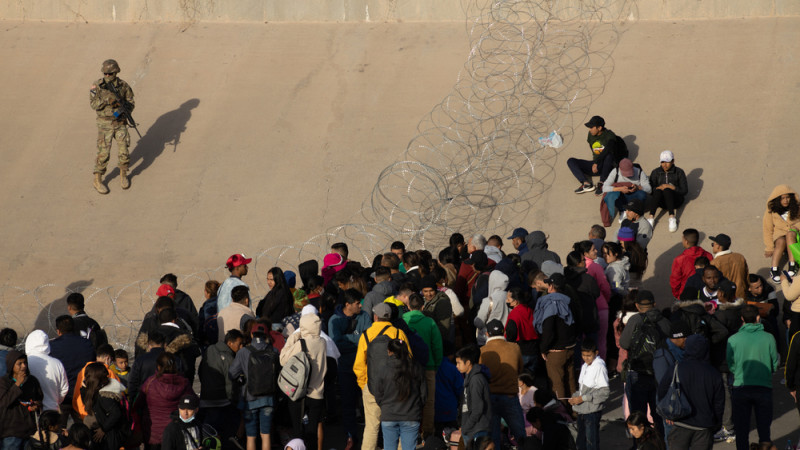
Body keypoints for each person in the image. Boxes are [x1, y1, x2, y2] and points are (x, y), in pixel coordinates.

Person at [353, 303, 411, 450]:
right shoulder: (399, 333)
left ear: (375, 316)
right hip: (396, 387)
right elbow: (409, 359)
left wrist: (364, 385)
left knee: (371, 427)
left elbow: (359, 366)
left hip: (372, 386)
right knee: (397, 427)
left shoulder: (366, 335)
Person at [657, 335, 724, 450]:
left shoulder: (677, 367)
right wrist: (716, 424)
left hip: (680, 423)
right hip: (704, 426)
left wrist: (667, 413)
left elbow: (662, 390)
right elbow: (719, 403)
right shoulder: (714, 374)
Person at [619, 290, 670, 438]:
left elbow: (624, 343)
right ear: (654, 304)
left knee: (638, 415)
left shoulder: (635, 320)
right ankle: (660, 444)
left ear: (637, 305)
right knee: (659, 414)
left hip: (638, 372)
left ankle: (641, 444)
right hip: (659, 374)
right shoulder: (665, 321)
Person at [727, 305, 779, 450]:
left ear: (742, 319)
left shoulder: (733, 339)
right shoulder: (768, 338)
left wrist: (738, 373)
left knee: (742, 430)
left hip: (740, 387)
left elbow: (730, 364)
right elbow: (775, 362)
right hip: (764, 387)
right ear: (758, 318)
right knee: (764, 430)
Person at [327, 289, 371, 447]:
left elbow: (369, 339)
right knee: (348, 406)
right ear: (347, 304)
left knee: (368, 405)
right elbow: (336, 344)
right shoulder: (335, 320)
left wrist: (347, 340)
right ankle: (350, 437)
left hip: (365, 369)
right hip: (345, 370)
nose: (361, 305)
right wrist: (358, 341)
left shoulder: (364, 316)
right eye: (358, 303)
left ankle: (370, 438)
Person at [280, 314, 327, 449]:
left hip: (298, 393)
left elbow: (282, 359)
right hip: (317, 393)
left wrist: (293, 337)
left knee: (297, 430)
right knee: (312, 431)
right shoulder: (323, 342)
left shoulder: (301, 343)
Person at [229, 322, 277, 450]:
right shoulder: (273, 351)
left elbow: (232, 374)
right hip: (268, 398)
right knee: (265, 435)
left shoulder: (244, 352)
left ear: (251, 334)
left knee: (251, 436)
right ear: (266, 335)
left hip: (250, 399)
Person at [89, 59, 135, 193]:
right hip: (105, 124)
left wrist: (123, 110)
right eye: (105, 74)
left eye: (110, 74)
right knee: (103, 153)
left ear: (116, 73)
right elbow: (93, 104)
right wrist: (106, 99)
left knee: (124, 151)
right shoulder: (97, 86)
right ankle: (97, 179)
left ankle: (123, 175)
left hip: (120, 122)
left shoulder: (123, 85)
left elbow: (131, 101)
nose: (107, 76)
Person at [479, 320, 526, 448]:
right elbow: (520, 369)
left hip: (490, 398)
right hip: (510, 397)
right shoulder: (514, 347)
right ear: (503, 332)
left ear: (487, 334)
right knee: (520, 435)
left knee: (494, 438)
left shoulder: (482, 351)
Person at [372, 339, 426, 450]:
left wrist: (384, 406)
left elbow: (378, 395)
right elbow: (424, 394)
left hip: (389, 415)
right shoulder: (416, 367)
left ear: (389, 351)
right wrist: (417, 408)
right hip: (411, 415)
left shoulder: (384, 369)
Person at [402, 292, 441, 440]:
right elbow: (437, 346)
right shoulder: (430, 322)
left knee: (409, 399)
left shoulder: (402, 321)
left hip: (407, 367)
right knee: (429, 401)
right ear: (423, 306)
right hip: (429, 366)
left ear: (408, 306)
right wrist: (436, 365)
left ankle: (411, 432)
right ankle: (427, 433)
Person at [533, 273, 577, 400]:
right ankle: (574, 410)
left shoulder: (550, 303)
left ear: (551, 286)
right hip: (571, 347)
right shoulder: (569, 301)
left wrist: (543, 348)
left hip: (556, 350)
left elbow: (548, 330)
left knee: (556, 383)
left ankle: (562, 413)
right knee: (571, 381)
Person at [138, 352, 194, 450]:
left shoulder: (150, 383)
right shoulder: (184, 383)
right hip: (176, 431)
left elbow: (139, 403)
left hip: (153, 432)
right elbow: (193, 402)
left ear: (158, 367)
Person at [198, 329, 244, 446]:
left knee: (208, 432)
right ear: (230, 343)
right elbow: (230, 384)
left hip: (205, 398)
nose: (241, 347)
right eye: (239, 344)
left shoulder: (209, 350)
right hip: (221, 401)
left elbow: (200, 370)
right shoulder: (229, 358)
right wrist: (233, 401)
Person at [48, 315, 95, 426]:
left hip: (62, 395)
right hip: (82, 394)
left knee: (59, 430)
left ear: (58, 331)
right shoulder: (86, 344)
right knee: (84, 429)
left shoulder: (52, 347)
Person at [568, 339, 609, 450]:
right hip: (582, 411)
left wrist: (583, 398)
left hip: (592, 412)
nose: (586, 358)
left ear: (596, 353)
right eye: (583, 355)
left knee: (591, 442)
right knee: (581, 440)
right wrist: (575, 397)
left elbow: (604, 393)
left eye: (589, 355)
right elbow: (582, 390)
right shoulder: (585, 366)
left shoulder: (599, 367)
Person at [79, 362, 129, 450]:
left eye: (87, 376)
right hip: (102, 434)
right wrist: (83, 388)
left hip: (109, 437)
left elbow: (116, 413)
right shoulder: (96, 389)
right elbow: (87, 404)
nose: (85, 378)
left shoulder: (105, 395)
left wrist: (103, 429)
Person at [567, 115, 620, 196]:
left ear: (599, 128)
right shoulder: (590, 135)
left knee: (608, 155)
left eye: (592, 127)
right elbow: (593, 149)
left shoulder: (609, 135)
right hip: (596, 166)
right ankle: (586, 184)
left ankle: (602, 183)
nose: (590, 129)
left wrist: (596, 163)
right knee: (571, 161)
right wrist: (595, 163)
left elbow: (607, 150)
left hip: (608, 166)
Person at [0, 351, 42, 450]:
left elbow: (39, 398)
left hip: (30, 431)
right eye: (19, 363)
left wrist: (36, 405)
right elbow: (3, 403)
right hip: (11, 433)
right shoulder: (3, 382)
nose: (23, 366)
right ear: (11, 365)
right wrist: (17, 385)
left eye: (25, 363)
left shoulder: (32, 381)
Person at [455, 345, 492, 450]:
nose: (456, 366)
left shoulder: (476, 379)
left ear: (468, 363)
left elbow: (478, 408)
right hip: (471, 428)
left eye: (458, 363)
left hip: (477, 429)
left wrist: (466, 426)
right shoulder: (469, 377)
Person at [24, 330, 68, 414]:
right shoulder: (56, 363)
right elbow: (64, 389)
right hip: (52, 411)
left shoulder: (24, 364)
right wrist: (54, 401)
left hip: (31, 412)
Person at [762, 185, 800, 281]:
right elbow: (767, 228)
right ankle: (774, 269)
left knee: (790, 234)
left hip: (795, 234)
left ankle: (792, 264)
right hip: (780, 234)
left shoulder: (797, 206)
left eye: (787, 197)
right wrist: (769, 247)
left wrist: (796, 226)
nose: (785, 200)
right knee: (780, 242)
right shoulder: (771, 210)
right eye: (782, 198)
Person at [646, 150, 688, 232]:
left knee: (667, 190)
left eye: (667, 162)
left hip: (676, 201)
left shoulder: (679, 172)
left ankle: (672, 217)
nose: (664, 164)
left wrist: (672, 187)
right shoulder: (655, 172)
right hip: (661, 202)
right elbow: (650, 189)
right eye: (662, 162)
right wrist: (658, 188)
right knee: (658, 190)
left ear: (673, 161)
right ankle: (651, 218)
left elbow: (684, 191)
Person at [601, 158, 651, 222]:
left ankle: (634, 211)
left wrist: (638, 187)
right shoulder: (615, 172)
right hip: (621, 196)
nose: (628, 176)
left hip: (634, 196)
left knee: (642, 194)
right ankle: (623, 211)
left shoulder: (639, 172)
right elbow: (604, 188)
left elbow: (649, 189)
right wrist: (620, 189)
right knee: (612, 195)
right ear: (620, 169)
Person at [669, 229, 713, 299]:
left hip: (685, 295)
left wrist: (678, 295)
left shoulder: (679, 260)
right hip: (705, 294)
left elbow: (675, 280)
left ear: (686, 242)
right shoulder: (709, 256)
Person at [505, 287, 539, 375]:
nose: (506, 301)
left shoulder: (514, 314)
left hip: (521, 351)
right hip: (534, 350)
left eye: (508, 299)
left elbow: (511, 333)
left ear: (515, 301)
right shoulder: (531, 310)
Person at [128, 330, 165, 401]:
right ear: (164, 344)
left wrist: (132, 400)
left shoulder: (141, 360)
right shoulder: (174, 360)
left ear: (149, 345)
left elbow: (132, 382)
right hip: (166, 399)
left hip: (145, 398)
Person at [709, 234, 749, 299]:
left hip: (724, 298)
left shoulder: (714, 263)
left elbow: (712, 284)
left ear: (718, 246)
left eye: (713, 244)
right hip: (741, 297)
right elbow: (746, 278)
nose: (712, 246)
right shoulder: (740, 257)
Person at [198, 280, 222, 348]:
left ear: (207, 293)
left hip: (209, 342)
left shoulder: (206, 307)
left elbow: (201, 326)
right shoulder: (222, 304)